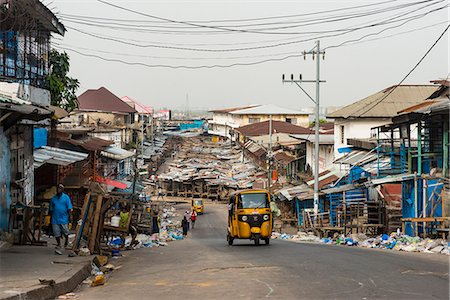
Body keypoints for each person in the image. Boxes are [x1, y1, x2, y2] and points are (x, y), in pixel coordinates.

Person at [50, 184, 72, 254]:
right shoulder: (53, 198)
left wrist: (70, 217)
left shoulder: (66, 198)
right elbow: (51, 209)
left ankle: (66, 240)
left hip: (64, 218)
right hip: (55, 218)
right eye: (58, 188)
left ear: (62, 190)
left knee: (65, 231)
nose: (58, 189)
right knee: (56, 233)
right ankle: (59, 243)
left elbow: (69, 208)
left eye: (60, 188)